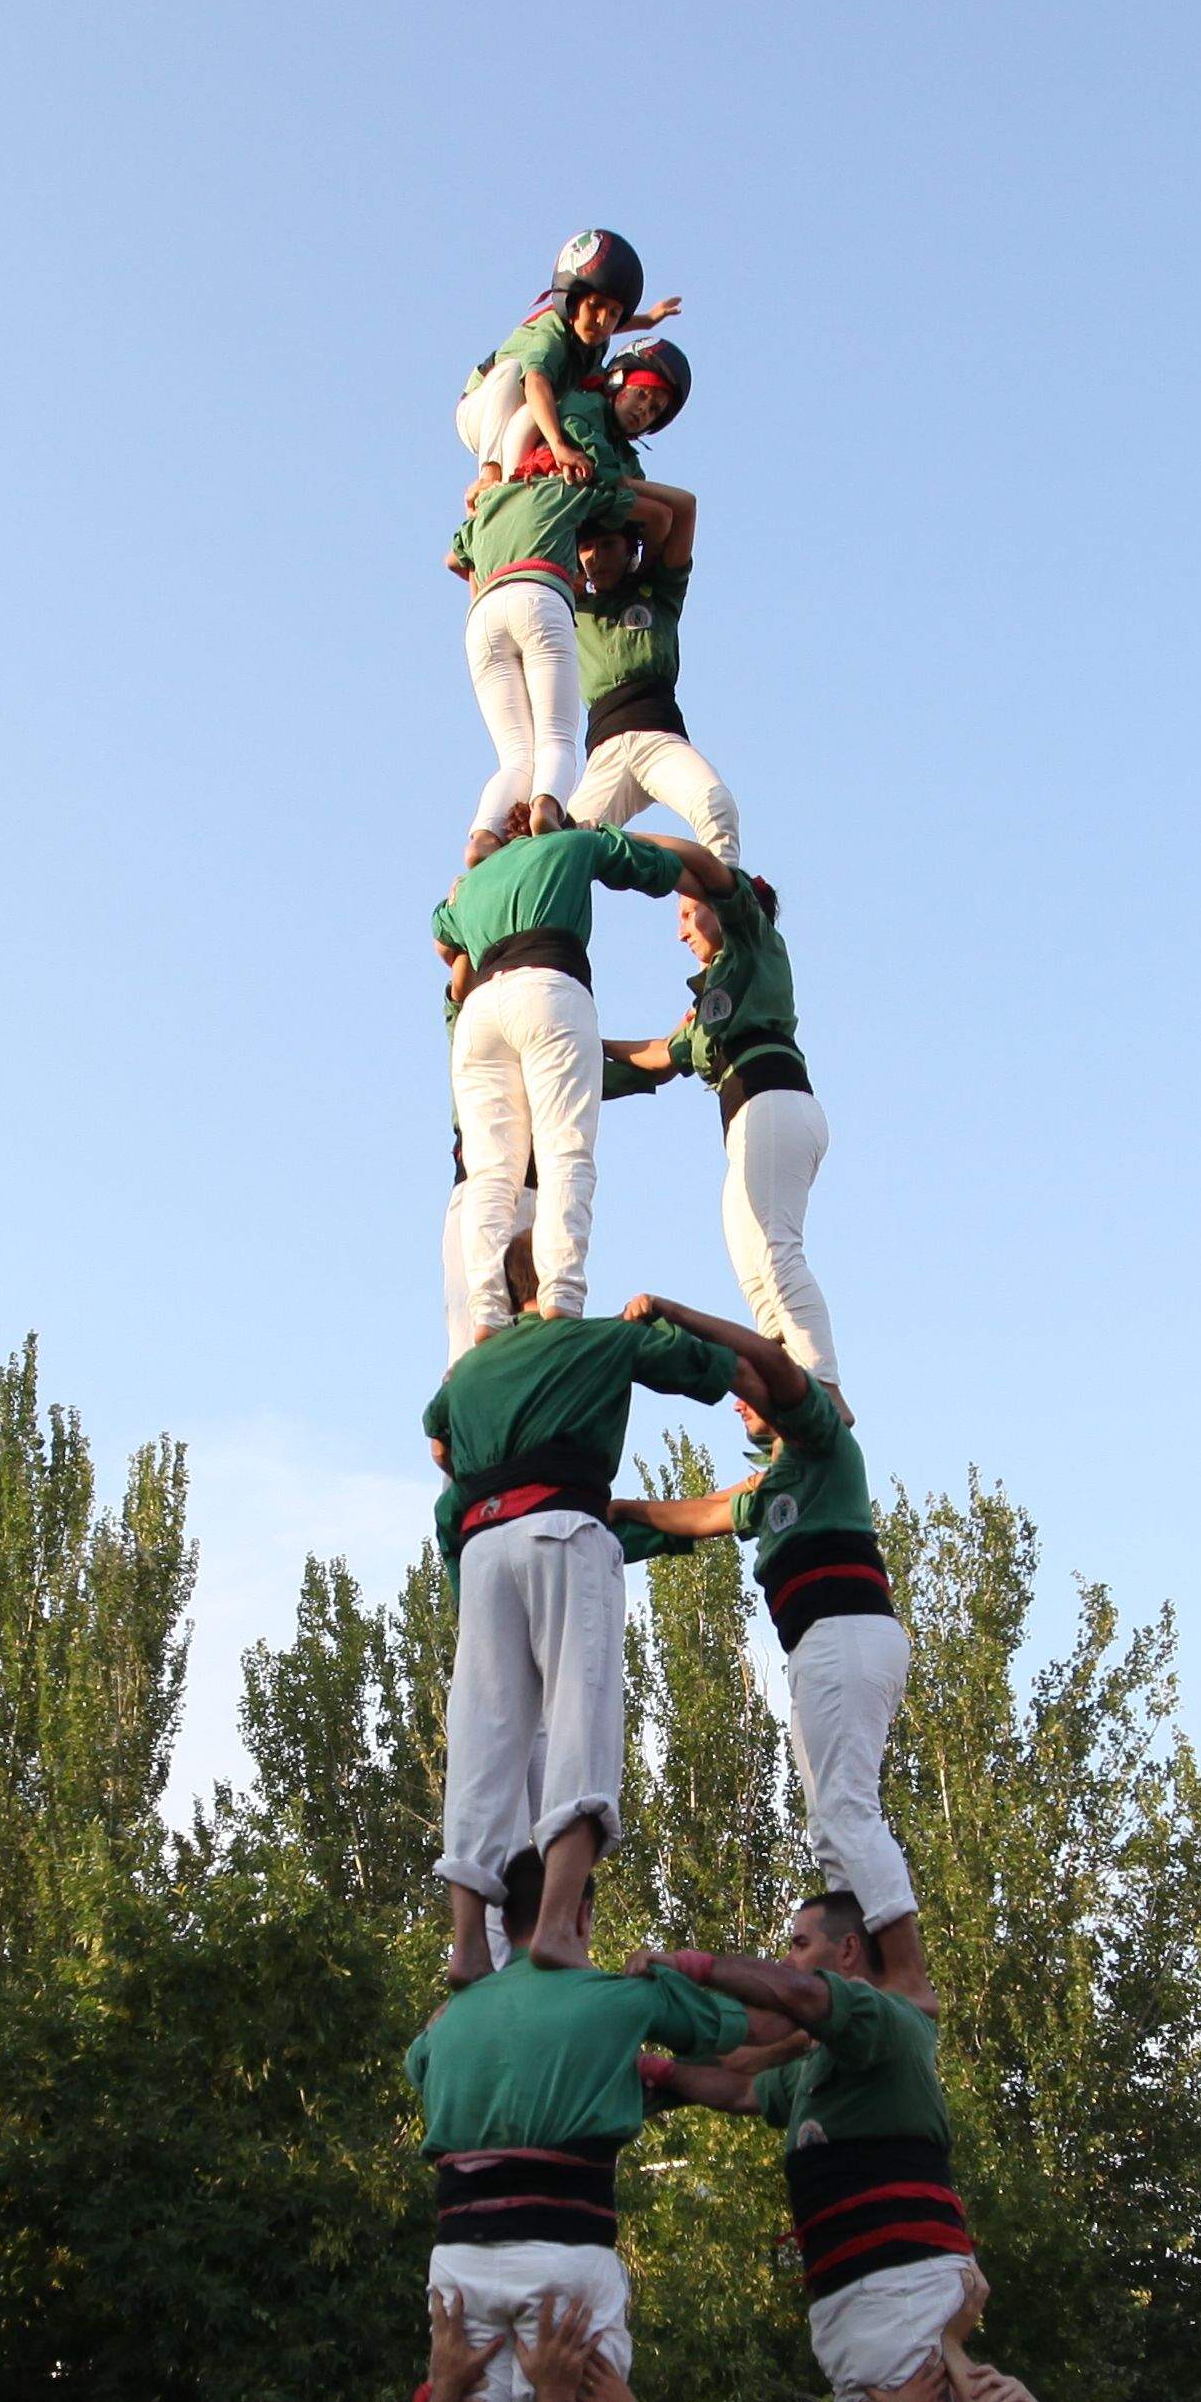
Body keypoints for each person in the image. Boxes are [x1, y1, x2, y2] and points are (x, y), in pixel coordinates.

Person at [416, 1263, 745, 1972]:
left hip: (482, 1552)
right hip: (562, 1531)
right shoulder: (597, 1342)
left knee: (482, 1744)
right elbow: (711, 1370)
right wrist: (771, 1380)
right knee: (580, 1721)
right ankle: (561, 1924)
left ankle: (469, 1943)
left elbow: (436, 1431)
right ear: (566, 1281)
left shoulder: (468, 1377)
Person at [612, 1343, 915, 1997]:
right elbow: (694, 1517)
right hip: (818, 1647)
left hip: (848, 1633)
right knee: (828, 1829)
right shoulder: (772, 1488)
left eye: (745, 1386)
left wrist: (679, 1320)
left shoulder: (823, 1446)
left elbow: (766, 1366)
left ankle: (907, 1978)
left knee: (845, 1810)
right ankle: (855, 1974)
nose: (736, 1400)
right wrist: (606, 1517)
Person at [409, 1958, 753, 2402]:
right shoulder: (612, 2000)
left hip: (460, 2263)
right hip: (563, 2251)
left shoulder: (454, 2018)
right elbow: (747, 2035)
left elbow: (419, 2064)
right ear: (581, 1909)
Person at [638, 1902, 975, 2402]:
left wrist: (685, 1965)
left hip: (900, 2283)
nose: (788, 1961)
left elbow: (795, 1994)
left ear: (847, 1951)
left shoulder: (878, 2014)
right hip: (851, 2290)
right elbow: (742, 2090)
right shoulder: (821, 2062)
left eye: (799, 1944)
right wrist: (659, 2072)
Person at [429, 815, 745, 1362]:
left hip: (482, 1011)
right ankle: (560, 1299)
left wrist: (472, 877)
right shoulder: (570, 845)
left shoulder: (476, 882)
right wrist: (604, 837)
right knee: (564, 1153)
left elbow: (443, 937)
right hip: (548, 985)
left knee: (490, 1174)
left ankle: (486, 1313)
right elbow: (659, 867)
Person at [448, 228, 667, 843]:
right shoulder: (550, 341)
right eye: (594, 307)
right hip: (488, 408)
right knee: (557, 740)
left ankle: (485, 833)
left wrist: (643, 319)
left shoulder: (589, 340)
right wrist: (560, 449)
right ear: (569, 299)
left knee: (514, 752)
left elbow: (453, 558)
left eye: (613, 313)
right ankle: (546, 807)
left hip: (487, 600)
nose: (602, 321)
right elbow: (537, 392)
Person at [595, 867, 832, 1383]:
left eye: (685, 913)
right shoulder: (711, 996)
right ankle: (786, 1381)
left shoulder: (752, 938)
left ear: (717, 905)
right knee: (751, 1264)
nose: (680, 931)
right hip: (750, 1117)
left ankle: (824, 1383)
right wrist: (585, 1045)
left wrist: (644, 855)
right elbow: (661, 1055)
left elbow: (712, 870)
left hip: (774, 1099)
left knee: (775, 1248)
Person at [562, 368, 727, 854]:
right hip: (606, 749)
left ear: (628, 545)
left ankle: (723, 917)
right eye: (587, 548)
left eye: (606, 544)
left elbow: (686, 505)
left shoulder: (657, 588)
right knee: (564, 848)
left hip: (658, 735)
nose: (596, 557)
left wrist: (621, 485)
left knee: (715, 804)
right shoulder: (572, 603)